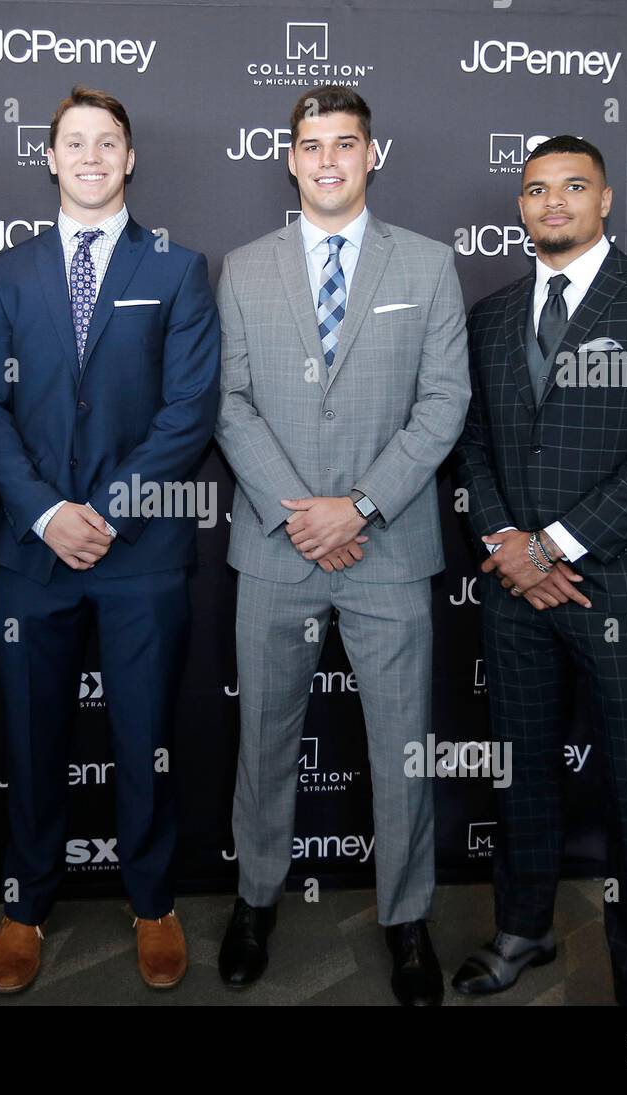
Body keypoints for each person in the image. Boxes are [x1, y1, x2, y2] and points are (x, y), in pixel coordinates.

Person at [213, 85, 470, 1005]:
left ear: (373, 155)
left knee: (402, 744)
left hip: (388, 550)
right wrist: (298, 514)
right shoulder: (243, 268)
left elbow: (444, 403)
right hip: (278, 549)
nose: (328, 160)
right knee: (265, 738)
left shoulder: (430, 267)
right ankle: (255, 900)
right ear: (289, 158)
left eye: (345, 144)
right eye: (311, 145)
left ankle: (406, 919)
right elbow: (230, 404)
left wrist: (357, 506)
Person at [452, 135, 627, 1006]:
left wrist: (550, 545)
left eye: (572, 186)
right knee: (522, 773)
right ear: (521, 208)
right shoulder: (489, 315)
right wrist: (505, 545)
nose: (551, 202)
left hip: (619, 588)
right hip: (516, 593)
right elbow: (475, 448)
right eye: (535, 190)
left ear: (606, 200)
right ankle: (523, 926)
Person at [0, 86, 220, 992]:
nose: (89, 156)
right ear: (49, 157)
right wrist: (46, 512)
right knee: (31, 738)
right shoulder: (5, 272)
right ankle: (24, 904)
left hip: (141, 550)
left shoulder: (179, 267)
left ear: (129, 158)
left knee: (145, 734)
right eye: (73, 142)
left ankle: (152, 900)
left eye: (106, 142)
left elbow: (189, 408)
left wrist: (108, 509)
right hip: (30, 553)